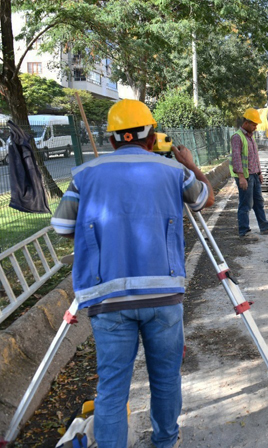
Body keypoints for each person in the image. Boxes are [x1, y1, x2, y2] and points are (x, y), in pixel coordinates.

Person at [50, 99, 215, 448]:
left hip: (108, 297)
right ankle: (166, 441)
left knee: (112, 387)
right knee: (166, 380)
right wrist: (191, 165)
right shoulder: (173, 172)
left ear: (111, 139)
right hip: (163, 294)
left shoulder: (84, 175)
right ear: (153, 137)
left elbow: (62, 226)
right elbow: (205, 200)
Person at [231, 108, 268, 240]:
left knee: (258, 202)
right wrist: (241, 177)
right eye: (254, 124)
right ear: (246, 123)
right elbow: (236, 158)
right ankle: (244, 232)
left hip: (254, 175)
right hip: (245, 176)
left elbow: (254, 157)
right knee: (245, 204)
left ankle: (264, 227)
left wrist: (259, 173)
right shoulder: (237, 137)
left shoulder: (251, 137)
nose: (256, 127)